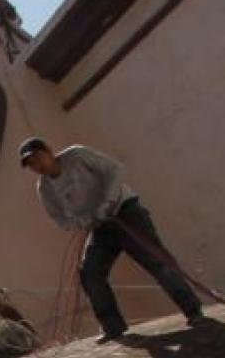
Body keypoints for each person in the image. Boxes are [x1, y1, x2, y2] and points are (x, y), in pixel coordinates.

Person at [19, 137, 203, 342]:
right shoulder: (44, 188)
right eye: (31, 164)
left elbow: (115, 169)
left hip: (125, 213)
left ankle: (193, 310)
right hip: (99, 227)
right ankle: (112, 327)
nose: (37, 165)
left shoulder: (77, 155)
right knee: (90, 272)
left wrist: (107, 203)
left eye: (38, 157)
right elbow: (60, 219)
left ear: (49, 150)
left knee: (157, 261)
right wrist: (82, 221)